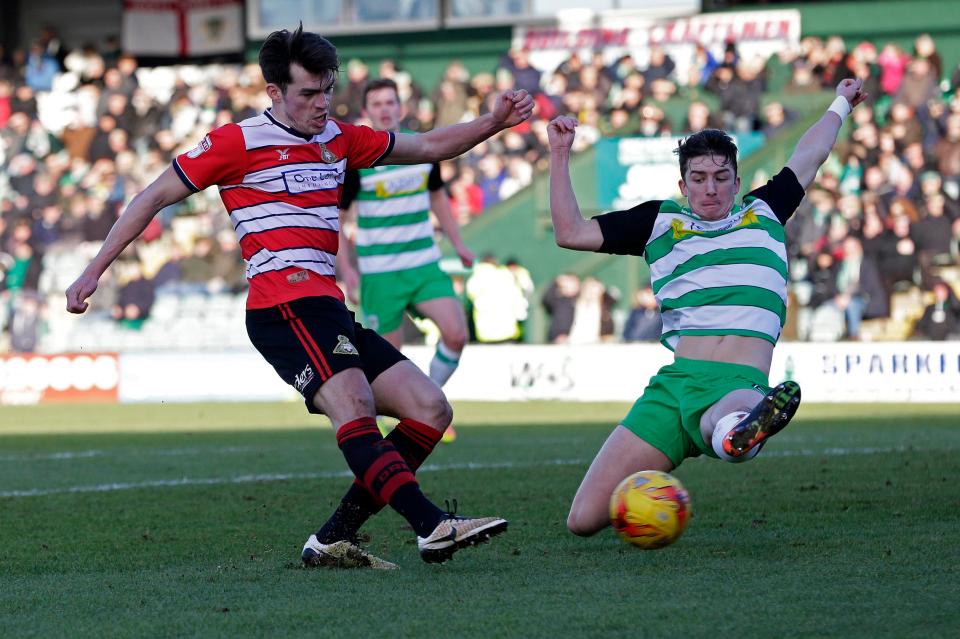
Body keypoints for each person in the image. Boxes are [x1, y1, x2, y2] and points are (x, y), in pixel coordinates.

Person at [65, 25, 534, 567]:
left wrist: (494, 123)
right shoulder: (235, 142)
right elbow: (151, 197)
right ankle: (430, 525)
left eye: (326, 89)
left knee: (430, 408)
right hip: (281, 306)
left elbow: (428, 145)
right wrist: (94, 270)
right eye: (308, 93)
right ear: (275, 93)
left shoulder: (338, 137)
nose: (321, 103)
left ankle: (335, 537)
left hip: (327, 307)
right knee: (354, 405)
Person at [546, 78, 867, 536]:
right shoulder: (661, 223)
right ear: (683, 183)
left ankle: (739, 433)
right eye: (698, 179)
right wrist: (559, 153)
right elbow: (569, 232)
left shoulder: (765, 212)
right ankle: (727, 439)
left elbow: (810, 152)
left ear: (737, 181)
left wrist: (840, 103)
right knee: (583, 520)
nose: (710, 189)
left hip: (736, 382)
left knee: (734, 421)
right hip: (672, 388)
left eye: (721, 178)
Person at [337, 78, 474, 442]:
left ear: (401, 107)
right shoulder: (359, 159)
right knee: (389, 362)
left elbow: (439, 198)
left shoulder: (419, 149)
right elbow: (338, 218)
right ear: (367, 112)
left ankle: (429, 398)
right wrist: (347, 268)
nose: (385, 108)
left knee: (457, 333)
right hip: (380, 274)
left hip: (424, 265)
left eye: (390, 102)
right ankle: (401, 418)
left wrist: (458, 243)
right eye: (377, 103)